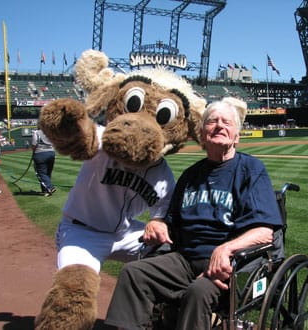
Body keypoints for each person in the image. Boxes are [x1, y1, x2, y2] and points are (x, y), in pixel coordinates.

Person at [105, 97, 283, 330]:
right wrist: (157, 223)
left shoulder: (251, 170)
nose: (219, 125)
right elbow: (170, 223)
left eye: (227, 122)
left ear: (237, 136)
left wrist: (226, 249)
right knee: (134, 273)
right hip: (185, 260)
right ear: (202, 134)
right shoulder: (190, 176)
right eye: (212, 121)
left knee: (197, 291)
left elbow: (265, 232)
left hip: (232, 265)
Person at [31, 126, 56, 196]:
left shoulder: (36, 133)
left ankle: (50, 187)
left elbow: (34, 145)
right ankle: (45, 191)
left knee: (41, 173)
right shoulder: (50, 133)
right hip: (51, 153)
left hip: (40, 154)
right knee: (48, 173)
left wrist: (34, 152)